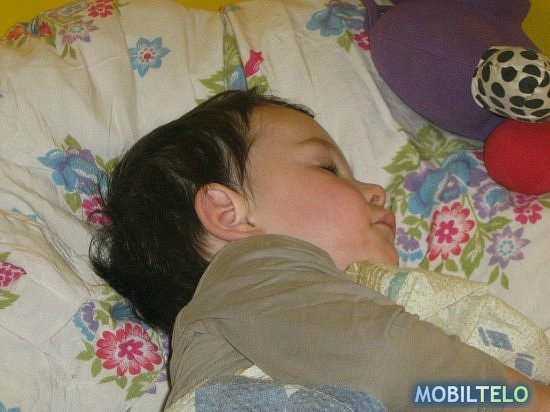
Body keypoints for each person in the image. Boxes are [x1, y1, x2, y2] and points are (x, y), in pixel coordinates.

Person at [90, 89, 550, 411]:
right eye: (328, 168)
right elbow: (392, 361)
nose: (376, 190)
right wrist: (520, 397)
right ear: (229, 214)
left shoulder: (302, 317)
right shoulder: (248, 273)